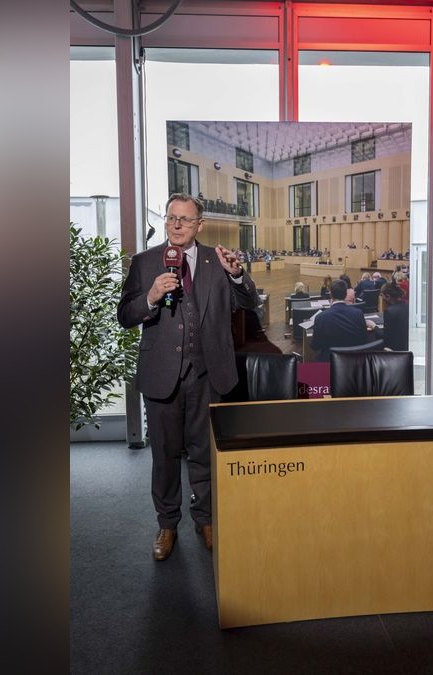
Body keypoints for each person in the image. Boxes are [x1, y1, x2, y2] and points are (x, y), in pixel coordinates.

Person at [117, 193, 260, 561]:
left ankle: (205, 518)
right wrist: (150, 297)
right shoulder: (146, 262)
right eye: (171, 218)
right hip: (162, 373)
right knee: (164, 456)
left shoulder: (218, 259)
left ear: (200, 224)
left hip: (210, 373)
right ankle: (167, 524)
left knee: (203, 453)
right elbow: (125, 315)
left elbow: (248, 302)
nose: (176, 225)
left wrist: (238, 275)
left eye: (184, 219)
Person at [311, 280, 370, 361]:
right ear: (345, 294)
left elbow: (315, 346)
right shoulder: (358, 314)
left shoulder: (320, 317)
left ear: (331, 294)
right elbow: (364, 338)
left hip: (330, 362)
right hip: (354, 361)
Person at [377, 283, 409, 351]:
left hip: (395, 350)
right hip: (407, 347)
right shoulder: (409, 307)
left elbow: (385, 336)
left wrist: (374, 326)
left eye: (382, 295)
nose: (382, 298)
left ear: (388, 296)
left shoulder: (389, 312)